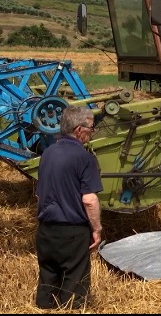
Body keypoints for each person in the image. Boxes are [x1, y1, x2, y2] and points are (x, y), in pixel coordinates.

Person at [34, 106, 103, 309]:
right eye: (91, 127)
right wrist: (97, 229)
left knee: (47, 282)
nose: (92, 132)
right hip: (72, 234)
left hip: (46, 231)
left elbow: (40, 193)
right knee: (74, 292)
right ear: (79, 130)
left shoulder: (47, 154)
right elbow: (89, 200)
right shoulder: (84, 158)